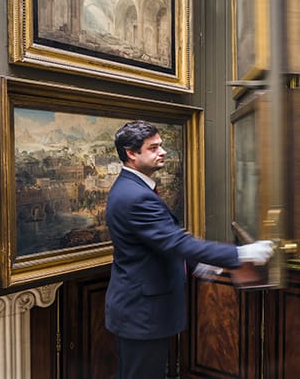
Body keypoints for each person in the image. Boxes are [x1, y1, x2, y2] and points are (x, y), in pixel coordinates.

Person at [105, 120, 274, 379]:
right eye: (153, 148)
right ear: (131, 153)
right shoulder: (135, 195)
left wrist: (199, 264)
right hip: (142, 311)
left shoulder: (133, 188)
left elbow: (157, 243)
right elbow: (175, 241)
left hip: (138, 308)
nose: (162, 152)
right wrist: (241, 254)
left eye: (161, 146)